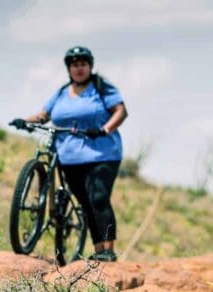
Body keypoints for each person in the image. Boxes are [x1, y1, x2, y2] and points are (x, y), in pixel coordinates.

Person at [11, 46, 127, 262]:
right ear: (69, 69)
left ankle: (108, 249)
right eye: (74, 65)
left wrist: (104, 129)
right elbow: (44, 115)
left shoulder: (101, 88)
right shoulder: (62, 92)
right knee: (85, 202)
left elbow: (120, 111)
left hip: (102, 154)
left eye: (83, 64)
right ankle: (98, 248)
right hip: (69, 157)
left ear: (89, 66)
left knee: (98, 197)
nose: (79, 68)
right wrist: (25, 121)